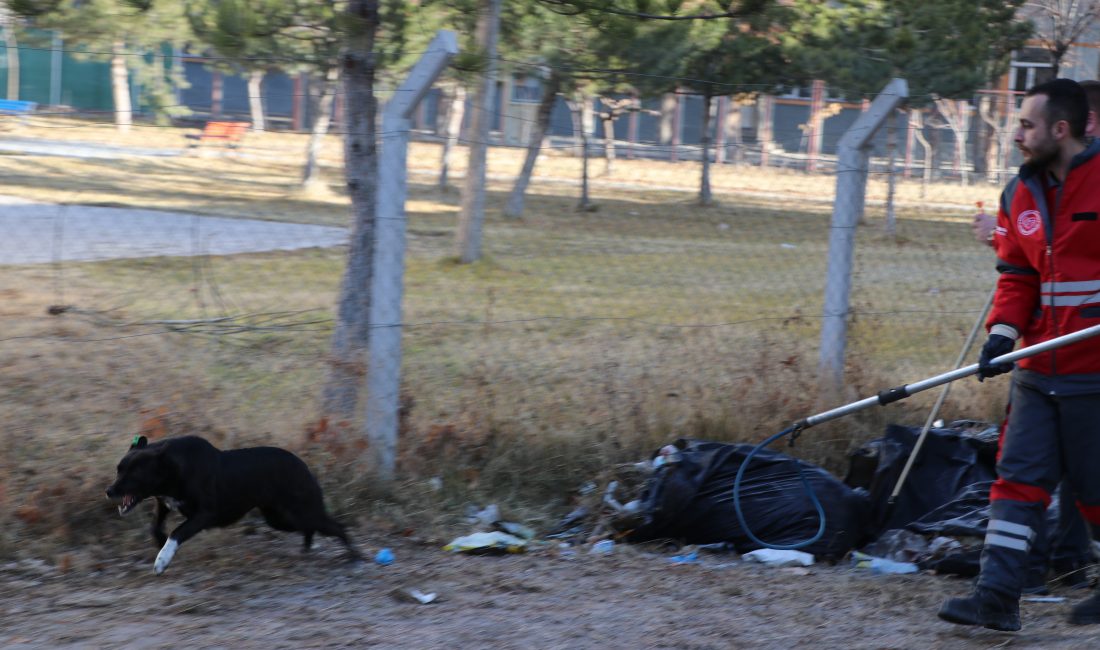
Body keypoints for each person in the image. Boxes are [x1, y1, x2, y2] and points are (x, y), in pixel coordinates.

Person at [938, 78, 1100, 632]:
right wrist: (1002, 334)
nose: (1018, 136)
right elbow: (1017, 274)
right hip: (1037, 369)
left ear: (1061, 129)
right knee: (1017, 481)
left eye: (1027, 125)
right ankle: (996, 598)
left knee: (1094, 488)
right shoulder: (1019, 193)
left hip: (1093, 372)